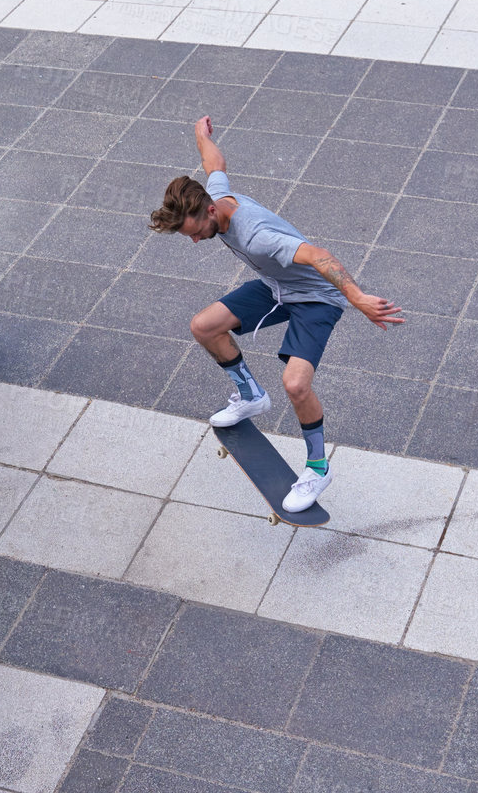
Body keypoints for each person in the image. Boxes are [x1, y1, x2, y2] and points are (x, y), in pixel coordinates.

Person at [149, 115, 406, 512]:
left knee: (296, 385)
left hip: (315, 298)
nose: (197, 241)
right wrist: (201, 134)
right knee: (204, 327)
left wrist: (356, 298)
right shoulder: (214, 195)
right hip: (277, 289)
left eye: (196, 232)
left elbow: (320, 256)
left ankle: (318, 468)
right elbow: (214, 164)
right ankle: (251, 396)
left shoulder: (256, 236)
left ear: (210, 211)